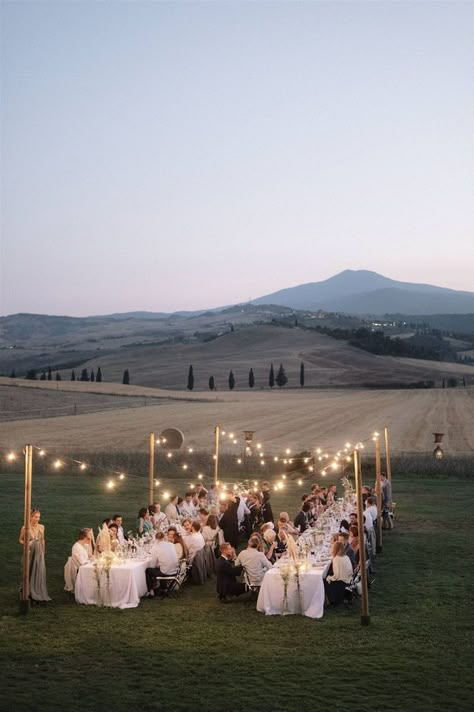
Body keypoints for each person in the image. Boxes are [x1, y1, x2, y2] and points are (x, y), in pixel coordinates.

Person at [19, 509, 51, 603]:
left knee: (38, 571)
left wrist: (43, 552)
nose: (38, 519)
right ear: (31, 517)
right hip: (29, 553)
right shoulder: (25, 528)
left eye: (39, 517)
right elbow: (20, 540)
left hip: (39, 553)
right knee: (28, 571)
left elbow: (43, 540)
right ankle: (27, 592)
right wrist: (28, 543)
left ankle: (37, 591)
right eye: (36, 517)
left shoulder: (42, 527)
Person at [145, 531, 179, 596]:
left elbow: (153, 564)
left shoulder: (155, 548)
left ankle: (150, 591)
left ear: (155, 539)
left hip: (166, 572)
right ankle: (163, 587)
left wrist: (157, 565)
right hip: (175, 571)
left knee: (148, 570)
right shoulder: (171, 544)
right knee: (162, 566)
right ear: (164, 537)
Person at [324, 541, 353, 606]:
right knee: (328, 574)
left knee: (324, 579)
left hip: (342, 583)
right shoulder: (346, 556)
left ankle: (330, 600)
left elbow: (336, 576)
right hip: (348, 580)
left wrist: (329, 578)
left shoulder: (336, 559)